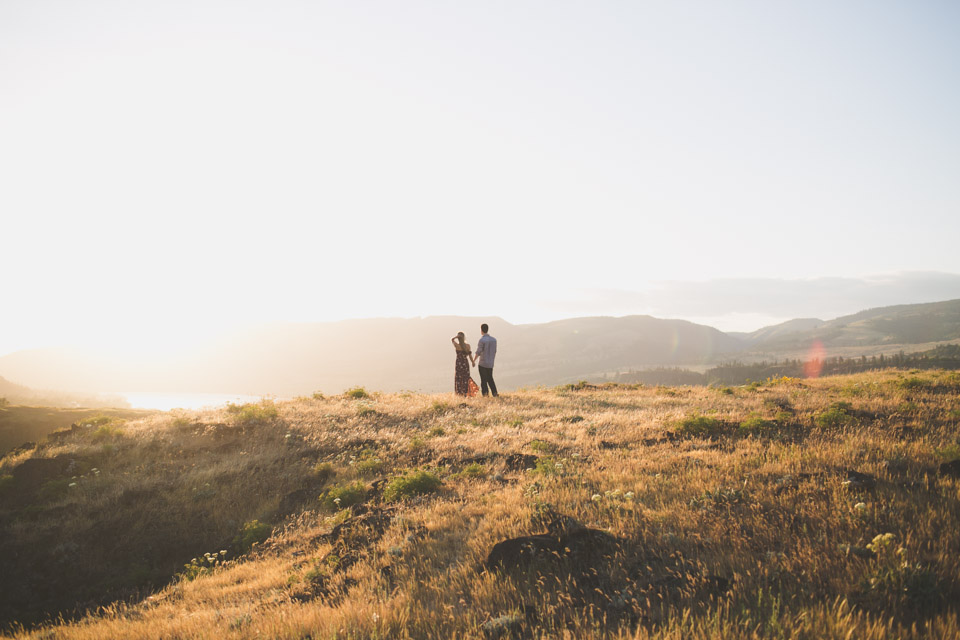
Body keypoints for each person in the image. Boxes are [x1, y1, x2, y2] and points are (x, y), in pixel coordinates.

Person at [451, 332, 479, 397]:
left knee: (459, 378)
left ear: (458, 338)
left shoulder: (457, 346)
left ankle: (459, 393)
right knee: (466, 377)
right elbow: (470, 356)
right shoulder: (468, 346)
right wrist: (473, 362)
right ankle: (466, 392)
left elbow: (452, 340)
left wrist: (456, 337)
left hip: (458, 363)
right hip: (465, 363)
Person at [475, 323, 498, 397]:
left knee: (483, 380)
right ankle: (494, 393)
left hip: (483, 362)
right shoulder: (494, 340)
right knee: (490, 378)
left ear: (481, 330)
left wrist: (474, 360)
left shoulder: (482, 340)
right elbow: (494, 351)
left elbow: (478, 352)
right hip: (490, 363)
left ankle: (485, 394)